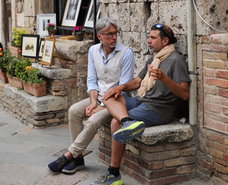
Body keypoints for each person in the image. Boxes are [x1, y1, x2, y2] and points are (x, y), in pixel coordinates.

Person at [92, 23, 191, 185]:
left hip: (159, 110)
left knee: (115, 122)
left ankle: (114, 174)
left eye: (153, 38)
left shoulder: (176, 60)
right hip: (142, 100)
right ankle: (127, 121)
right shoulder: (154, 58)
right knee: (109, 97)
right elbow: (138, 82)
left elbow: (185, 94)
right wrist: (120, 87)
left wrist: (164, 78)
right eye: (149, 37)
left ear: (165, 41)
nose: (148, 41)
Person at [46, 18, 134, 175]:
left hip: (117, 102)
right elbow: (92, 81)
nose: (114, 37)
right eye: (110, 34)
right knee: (73, 110)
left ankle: (68, 155)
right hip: (98, 97)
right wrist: (93, 102)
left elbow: (123, 87)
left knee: (93, 120)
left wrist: (101, 106)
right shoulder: (93, 50)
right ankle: (78, 158)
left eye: (116, 33)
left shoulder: (126, 53)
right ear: (99, 36)